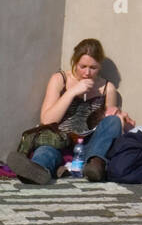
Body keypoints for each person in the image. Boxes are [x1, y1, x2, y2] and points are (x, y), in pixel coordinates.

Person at [5, 38, 132, 186]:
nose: (87, 73)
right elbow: (47, 120)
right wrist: (72, 92)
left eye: (93, 68)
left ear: (100, 66)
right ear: (74, 62)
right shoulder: (60, 79)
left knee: (113, 122)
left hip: (88, 147)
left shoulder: (107, 88)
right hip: (59, 142)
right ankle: (37, 171)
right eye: (82, 66)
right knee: (46, 151)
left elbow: (107, 128)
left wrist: (115, 116)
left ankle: (95, 166)